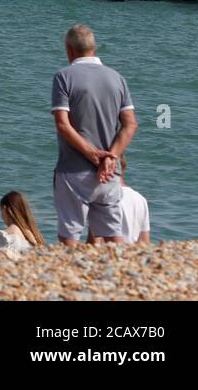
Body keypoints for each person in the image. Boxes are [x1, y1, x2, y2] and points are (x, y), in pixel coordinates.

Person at [51, 24, 137, 245]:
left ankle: (70, 277)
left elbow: (62, 124)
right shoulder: (117, 78)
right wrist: (111, 157)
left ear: (69, 49)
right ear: (93, 48)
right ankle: (121, 276)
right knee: (112, 235)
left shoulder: (63, 77)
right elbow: (130, 125)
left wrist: (92, 154)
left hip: (74, 170)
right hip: (109, 173)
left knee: (70, 234)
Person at [90, 157, 151, 244]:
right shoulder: (140, 199)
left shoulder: (103, 197)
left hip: (110, 253)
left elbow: (94, 242)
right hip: (130, 254)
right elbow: (145, 241)